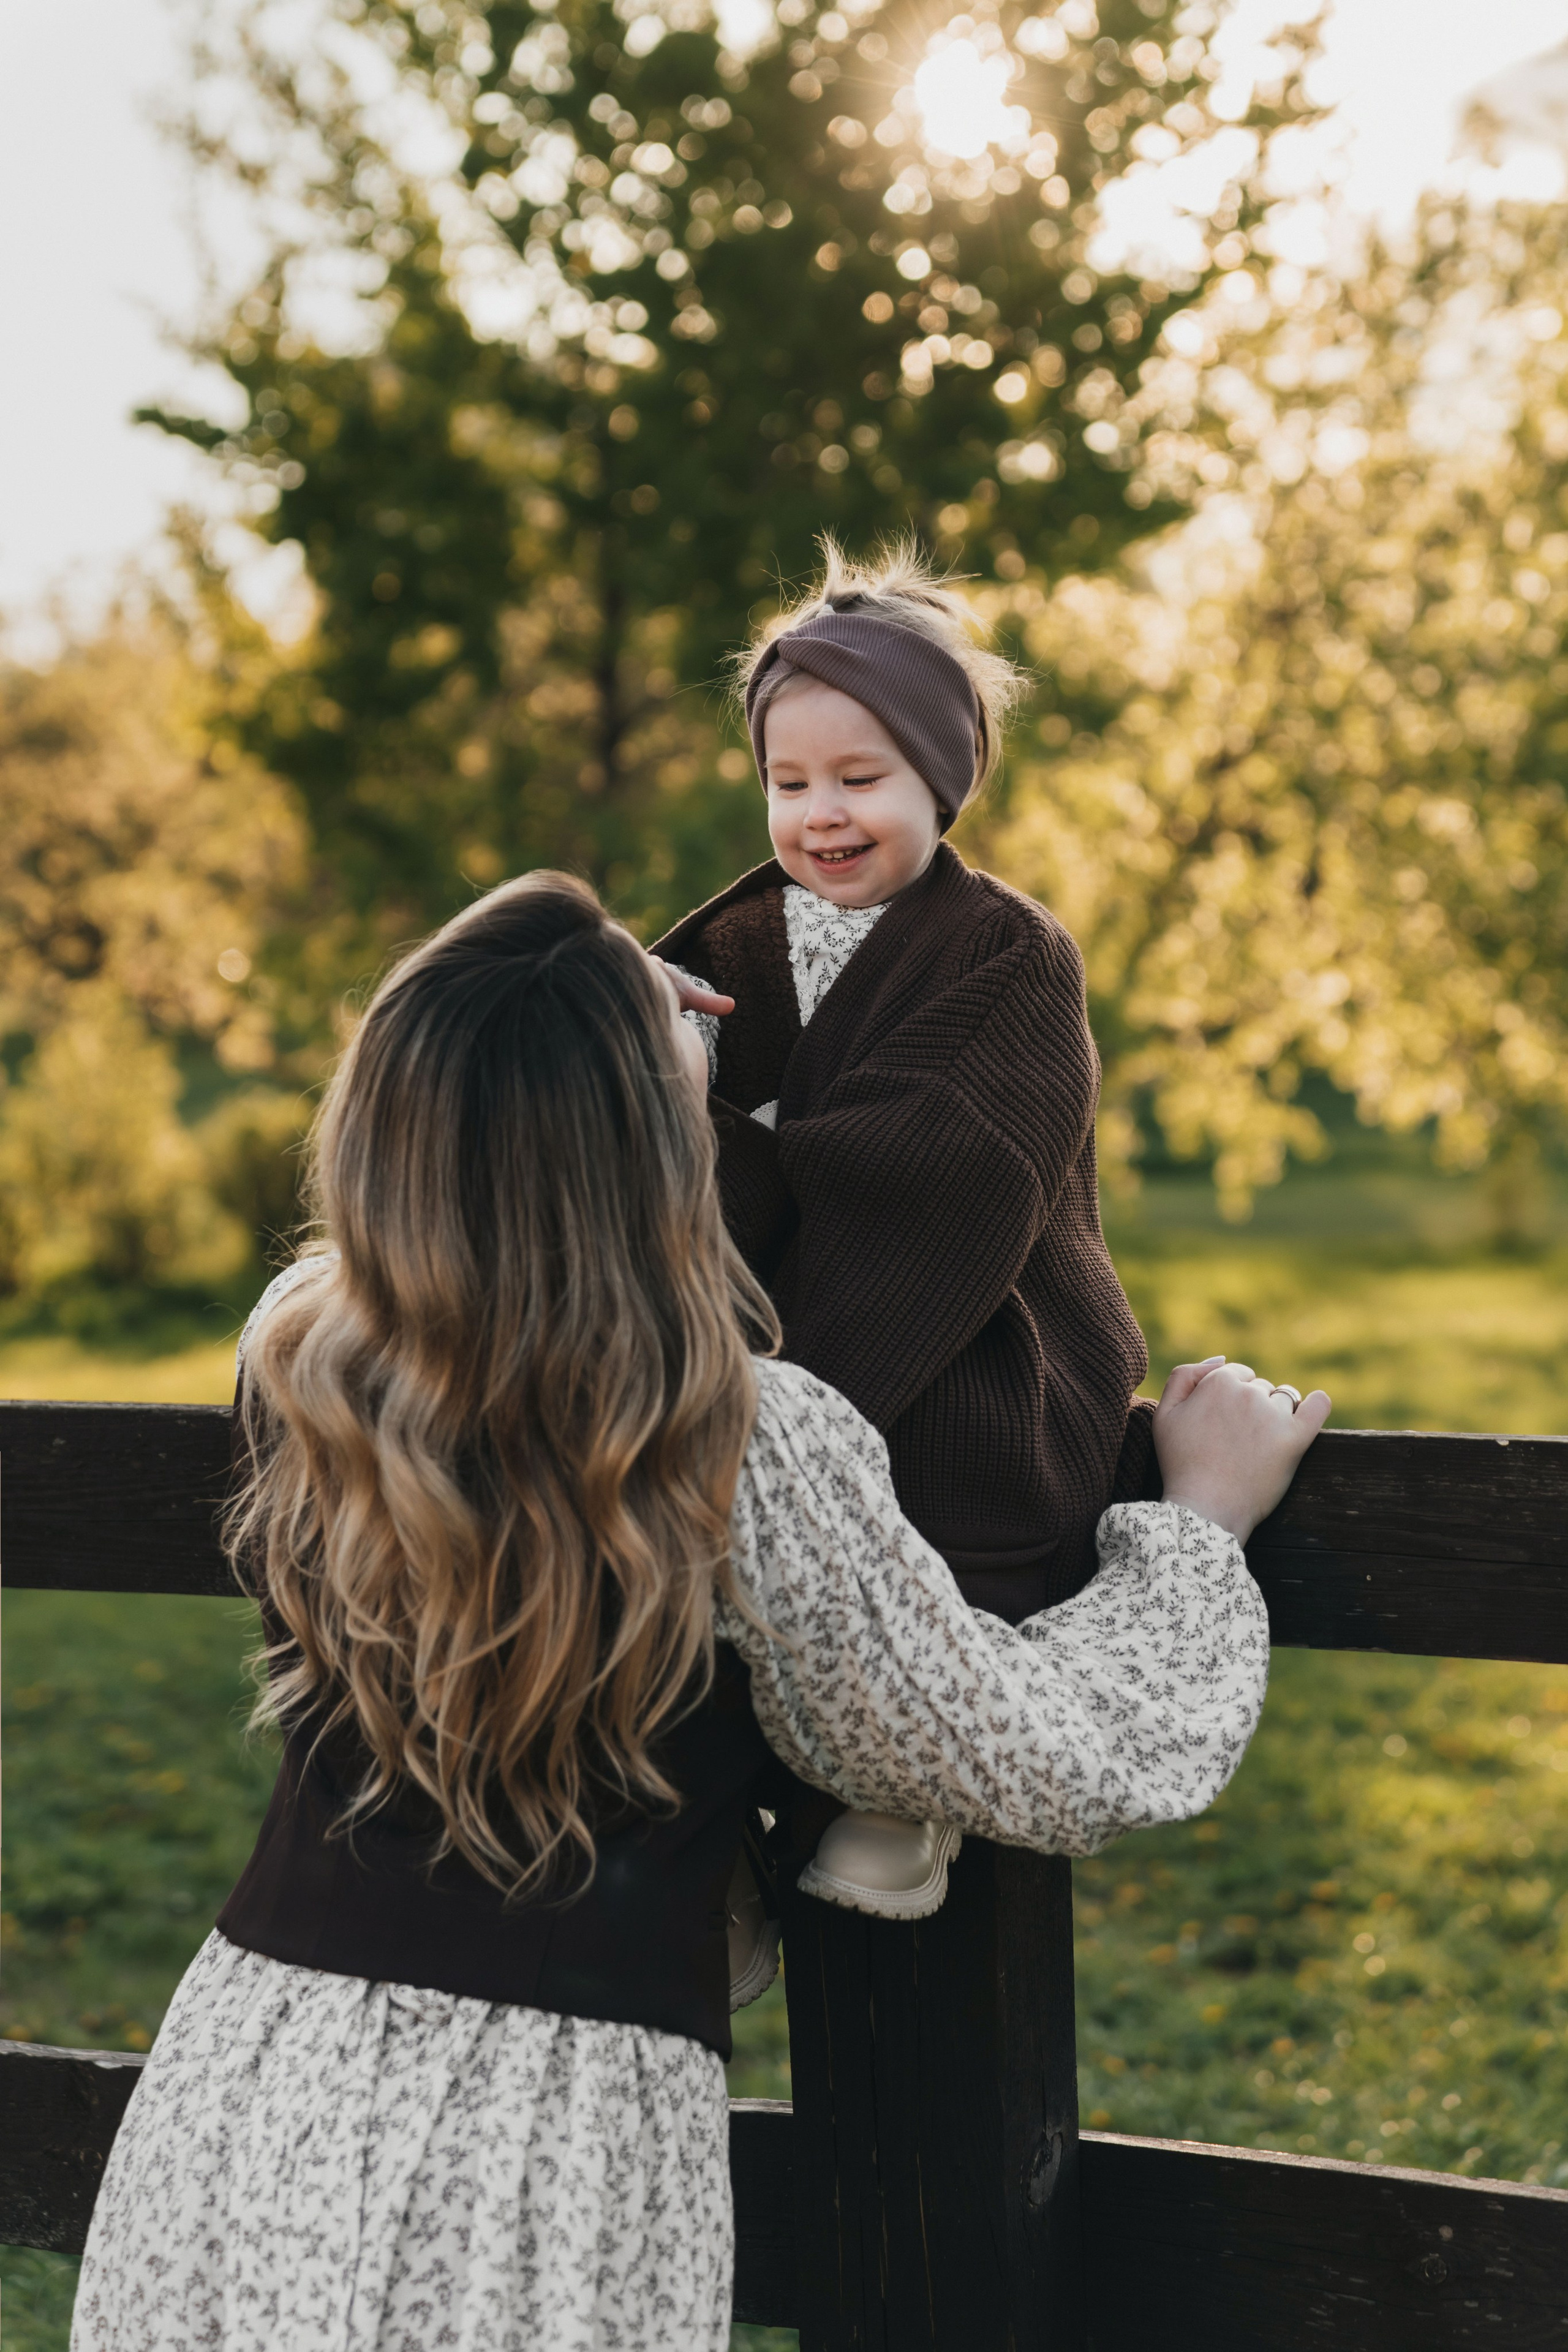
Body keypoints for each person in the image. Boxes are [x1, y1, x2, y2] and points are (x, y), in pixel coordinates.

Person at [70, 871, 1327, 2352]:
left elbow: (479, 1142)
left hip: (248, 2081)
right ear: (641, 1146)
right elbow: (1017, 1746)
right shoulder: (732, 1440)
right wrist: (1197, 1530)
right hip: (536, 2144)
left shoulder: (304, 1361)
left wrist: (569, 1002)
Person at [654, 540, 1174, 1927]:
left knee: (934, 1483)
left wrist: (720, 1127)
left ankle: (899, 1785)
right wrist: (643, 1077)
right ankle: (717, 1849)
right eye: (787, 782)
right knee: (670, 1524)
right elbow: (638, 1142)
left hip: (976, 1341)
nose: (819, 813)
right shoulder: (732, 946)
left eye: (859, 779)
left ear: (941, 780)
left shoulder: (1006, 955)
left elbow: (946, 1167)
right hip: (766, 1355)